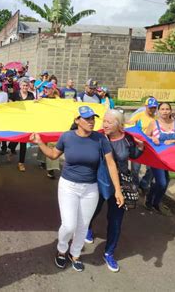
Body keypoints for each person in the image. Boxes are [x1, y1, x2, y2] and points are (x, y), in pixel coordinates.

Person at [31, 106, 124, 272]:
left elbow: (111, 164)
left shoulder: (100, 139)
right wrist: (39, 143)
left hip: (90, 189)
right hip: (68, 186)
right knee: (69, 225)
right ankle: (61, 250)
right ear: (77, 121)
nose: (91, 121)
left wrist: (117, 189)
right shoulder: (67, 137)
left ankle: (75, 254)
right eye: (87, 118)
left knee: (83, 225)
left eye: (93, 118)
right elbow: (53, 154)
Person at [86, 110, 144, 272]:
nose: (104, 124)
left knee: (116, 220)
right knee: (93, 210)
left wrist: (140, 146)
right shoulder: (98, 137)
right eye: (104, 121)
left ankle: (109, 252)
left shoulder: (127, 138)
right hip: (100, 180)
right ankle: (88, 228)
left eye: (109, 122)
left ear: (119, 125)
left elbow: (133, 154)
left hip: (122, 184)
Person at [144, 102, 175, 214]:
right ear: (158, 111)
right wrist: (152, 138)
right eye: (162, 109)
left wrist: (174, 140)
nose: (165, 111)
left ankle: (154, 202)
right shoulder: (154, 123)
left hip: (171, 158)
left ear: (171, 111)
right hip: (156, 157)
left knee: (166, 181)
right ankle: (151, 201)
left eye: (167, 109)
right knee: (162, 182)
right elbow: (145, 137)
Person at [127, 97, 158, 189]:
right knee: (135, 169)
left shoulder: (157, 118)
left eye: (154, 108)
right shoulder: (139, 115)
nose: (152, 110)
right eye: (150, 107)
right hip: (138, 146)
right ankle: (135, 187)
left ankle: (144, 183)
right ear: (145, 106)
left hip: (150, 147)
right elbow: (129, 124)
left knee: (151, 169)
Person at [8, 78, 35, 172]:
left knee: (23, 141)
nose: (25, 87)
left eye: (26, 85)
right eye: (23, 85)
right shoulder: (15, 94)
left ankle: (21, 163)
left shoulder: (31, 95)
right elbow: (9, 103)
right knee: (15, 138)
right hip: (16, 121)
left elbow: (33, 107)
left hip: (26, 121)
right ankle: (11, 149)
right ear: (20, 86)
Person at [37, 82, 61, 178]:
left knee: (52, 145)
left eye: (48, 88)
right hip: (43, 124)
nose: (45, 90)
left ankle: (51, 169)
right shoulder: (42, 99)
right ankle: (42, 161)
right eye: (45, 88)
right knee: (42, 143)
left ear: (53, 90)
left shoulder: (58, 100)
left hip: (54, 126)